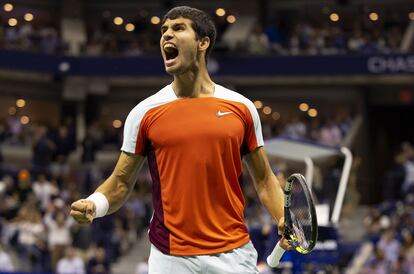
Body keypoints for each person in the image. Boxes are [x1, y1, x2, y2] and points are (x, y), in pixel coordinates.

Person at [71, 6, 289, 274]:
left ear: (203, 42)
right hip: (170, 257)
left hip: (233, 254)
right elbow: (120, 183)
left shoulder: (241, 108)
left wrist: (282, 217)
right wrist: (95, 203)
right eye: (163, 31)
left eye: (178, 28)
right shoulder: (144, 113)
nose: (166, 36)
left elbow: (265, 179)